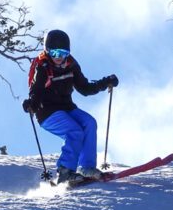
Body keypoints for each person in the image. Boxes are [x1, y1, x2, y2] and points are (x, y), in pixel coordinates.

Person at [23, 29, 118, 184]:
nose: (59, 58)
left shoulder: (71, 65)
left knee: (89, 122)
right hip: (47, 112)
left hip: (66, 108)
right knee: (74, 131)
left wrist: (105, 82)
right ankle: (65, 171)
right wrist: (31, 104)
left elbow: (85, 88)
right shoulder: (42, 67)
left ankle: (87, 167)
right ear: (47, 52)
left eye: (63, 53)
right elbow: (36, 90)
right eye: (54, 53)